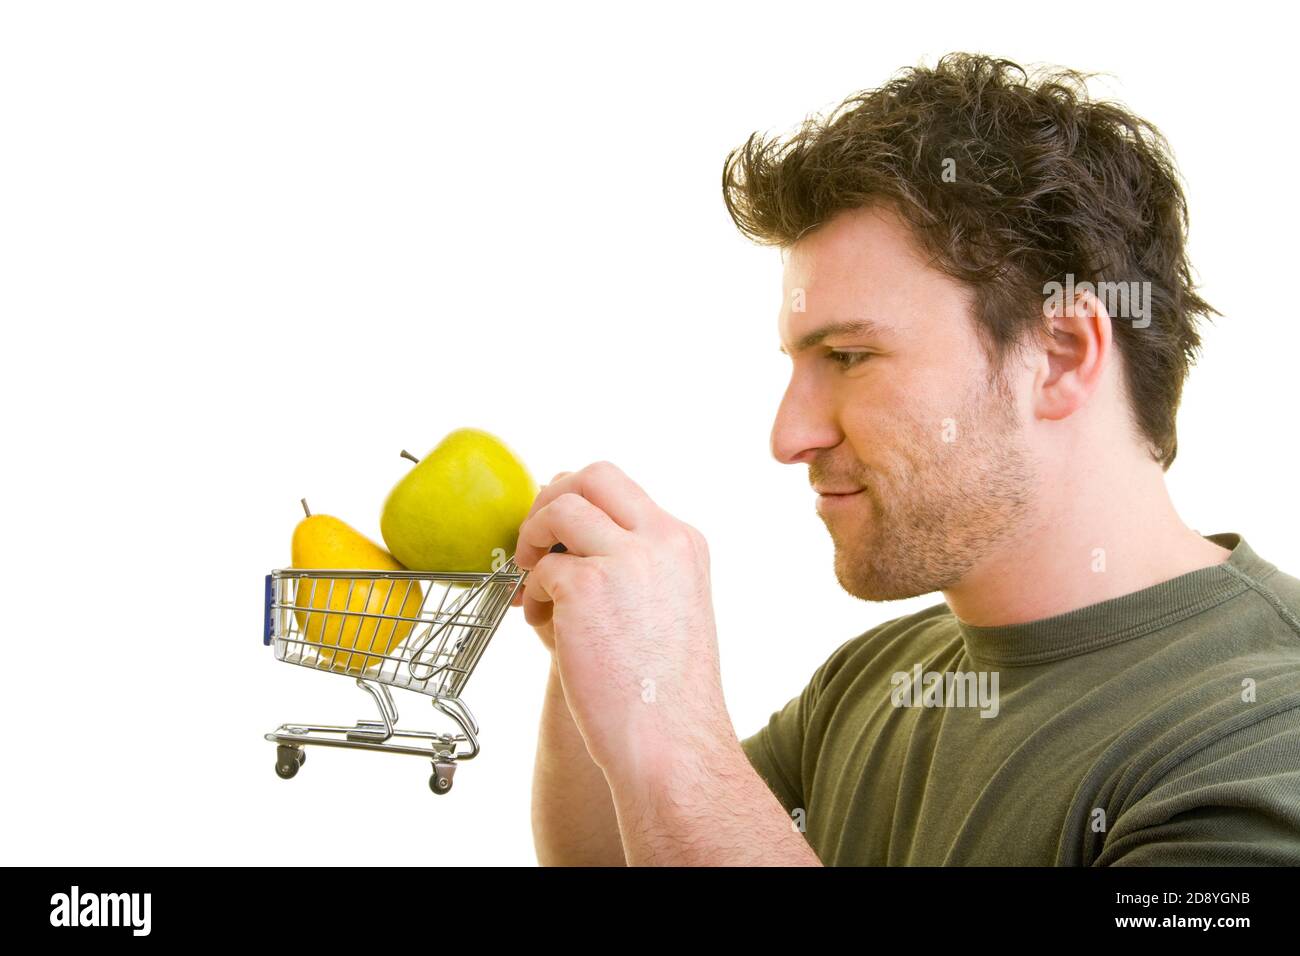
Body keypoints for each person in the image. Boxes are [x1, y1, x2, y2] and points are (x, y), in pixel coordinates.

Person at [512, 52, 1300, 866]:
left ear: (1061, 355)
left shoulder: (1267, 735)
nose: (789, 436)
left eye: (848, 357)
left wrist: (676, 736)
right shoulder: (879, 680)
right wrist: (606, 672)